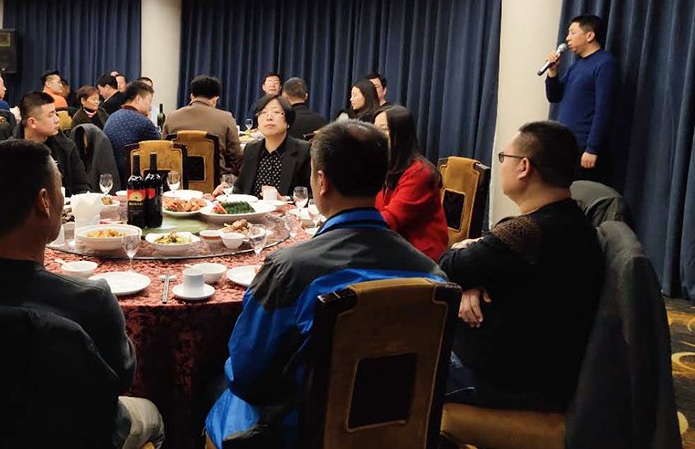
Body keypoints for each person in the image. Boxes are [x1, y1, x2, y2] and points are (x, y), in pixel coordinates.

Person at [205, 121, 445, 447]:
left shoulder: (291, 270)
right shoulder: (431, 275)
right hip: (397, 433)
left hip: (298, 434)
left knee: (213, 383)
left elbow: (248, 377)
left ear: (321, 181)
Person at [0, 140, 164, 447]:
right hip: (70, 435)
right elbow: (120, 380)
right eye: (61, 191)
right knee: (152, 414)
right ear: (44, 201)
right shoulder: (90, 300)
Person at [438, 120, 603, 411]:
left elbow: (446, 265)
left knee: (394, 362)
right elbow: (479, 267)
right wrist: (471, 282)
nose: (501, 164)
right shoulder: (572, 219)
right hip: (544, 374)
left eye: (504, 157)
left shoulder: (525, 233)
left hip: (505, 383)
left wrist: (466, 271)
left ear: (524, 167)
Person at [544, 14, 619, 181]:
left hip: (584, 148)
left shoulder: (605, 64)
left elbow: (604, 109)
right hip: (567, 144)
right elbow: (554, 96)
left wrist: (592, 148)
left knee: (581, 191)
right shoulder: (577, 65)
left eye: (572, 32)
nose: (567, 38)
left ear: (589, 35)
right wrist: (553, 72)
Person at [373, 106, 447, 260]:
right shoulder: (385, 165)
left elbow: (390, 220)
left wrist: (349, 225)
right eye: (374, 129)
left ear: (401, 135)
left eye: (383, 130)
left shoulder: (420, 173)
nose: (375, 136)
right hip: (391, 245)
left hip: (420, 257)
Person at [222, 94, 311, 198]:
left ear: (288, 121)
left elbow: (313, 194)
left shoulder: (303, 151)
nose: (269, 117)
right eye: (263, 112)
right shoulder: (251, 149)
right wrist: (227, 191)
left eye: (276, 112)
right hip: (252, 208)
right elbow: (241, 188)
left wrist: (286, 199)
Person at [163, 75, 241, 173]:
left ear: (192, 96)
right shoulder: (226, 118)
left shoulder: (171, 117)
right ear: (215, 99)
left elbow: (163, 150)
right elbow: (236, 156)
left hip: (178, 178)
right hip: (216, 179)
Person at [19, 92, 90, 194]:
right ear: (32, 122)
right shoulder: (10, 153)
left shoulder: (66, 147)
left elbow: (82, 186)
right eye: (50, 115)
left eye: (55, 113)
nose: (57, 120)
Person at [103, 80, 160, 183]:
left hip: (111, 173)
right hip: (133, 178)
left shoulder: (112, 117)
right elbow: (160, 144)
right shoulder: (142, 121)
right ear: (138, 99)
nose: (150, 106)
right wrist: (148, 119)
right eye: (149, 101)